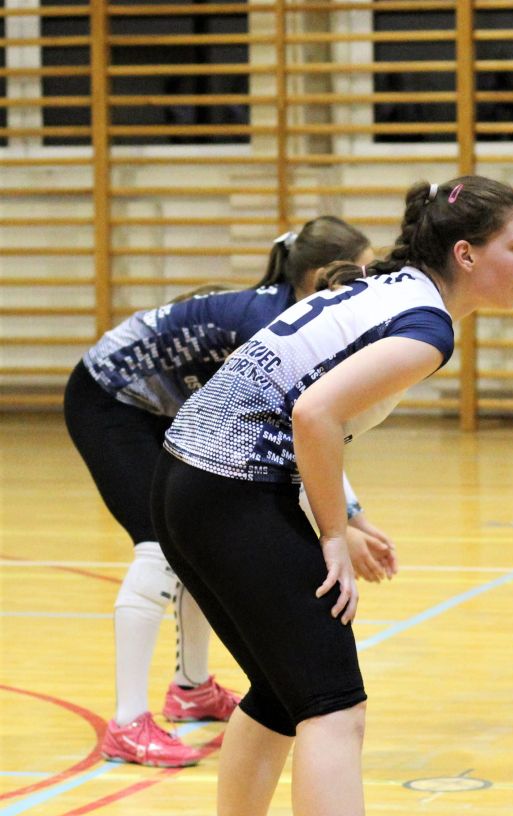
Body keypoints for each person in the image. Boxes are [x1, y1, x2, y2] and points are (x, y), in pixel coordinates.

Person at [152, 175, 513, 816]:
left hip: (191, 482)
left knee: (282, 692)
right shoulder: (427, 326)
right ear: (467, 255)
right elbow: (314, 416)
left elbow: (298, 404)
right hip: (231, 490)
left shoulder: (392, 290)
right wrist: (332, 532)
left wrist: (344, 517)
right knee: (333, 706)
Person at [64, 216, 389, 768]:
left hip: (168, 408)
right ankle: (126, 723)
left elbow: (304, 436)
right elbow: (304, 434)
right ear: (319, 278)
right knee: (158, 546)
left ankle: (191, 688)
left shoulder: (294, 318)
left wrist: (353, 520)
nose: (365, 288)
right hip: (110, 399)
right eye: (357, 274)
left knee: (198, 541)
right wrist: (342, 526)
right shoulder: (271, 325)